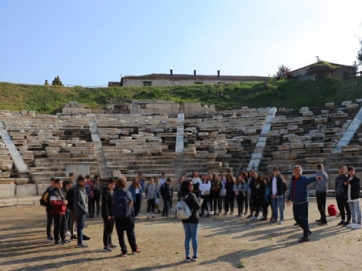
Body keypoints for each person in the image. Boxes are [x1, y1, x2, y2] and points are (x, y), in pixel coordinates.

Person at [287, 165, 322, 242]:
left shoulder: (304, 179)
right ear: (293, 172)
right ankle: (307, 230)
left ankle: (305, 236)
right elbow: (291, 190)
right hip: (295, 202)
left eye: (299, 170)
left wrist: (316, 178)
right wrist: (288, 198)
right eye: (296, 170)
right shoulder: (292, 180)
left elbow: (311, 179)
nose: (298, 171)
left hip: (303, 202)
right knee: (296, 218)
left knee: (304, 219)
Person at [113, 176, 142, 257]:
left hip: (118, 216)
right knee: (130, 232)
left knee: (120, 234)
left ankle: (124, 251)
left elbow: (113, 203)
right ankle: (134, 248)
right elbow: (131, 203)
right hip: (127, 215)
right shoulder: (127, 192)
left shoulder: (115, 193)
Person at [180, 180, 201, 262]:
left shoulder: (181, 195)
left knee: (187, 237)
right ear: (188, 186)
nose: (192, 186)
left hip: (184, 217)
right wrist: (200, 201)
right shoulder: (192, 195)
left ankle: (187, 256)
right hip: (193, 218)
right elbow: (198, 206)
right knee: (194, 237)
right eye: (191, 185)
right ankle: (195, 255)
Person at [49, 179, 69, 245]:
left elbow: (63, 199)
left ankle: (63, 238)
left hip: (63, 211)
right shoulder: (53, 192)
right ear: (56, 184)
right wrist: (62, 203)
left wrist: (65, 202)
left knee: (63, 226)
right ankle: (57, 240)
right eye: (59, 183)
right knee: (57, 226)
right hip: (57, 211)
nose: (61, 184)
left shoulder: (61, 191)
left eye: (61, 183)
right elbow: (52, 202)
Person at [102, 178, 117, 252]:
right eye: (113, 184)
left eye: (115, 184)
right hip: (108, 214)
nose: (114, 185)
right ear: (109, 184)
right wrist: (107, 214)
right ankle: (105, 245)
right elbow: (105, 205)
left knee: (111, 229)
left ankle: (110, 242)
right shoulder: (106, 192)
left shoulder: (112, 192)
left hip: (113, 213)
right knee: (107, 230)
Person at [74, 175, 89, 248]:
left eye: (85, 181)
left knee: (81, 226)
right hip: (80, 211)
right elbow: (77, 202)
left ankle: (81, 240)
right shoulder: (77, 190)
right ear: (80, 181)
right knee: (79, 227)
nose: (85, 183)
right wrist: (83, 209)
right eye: (84, 181)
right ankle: (79, 242)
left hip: (82, 210)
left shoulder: (81, 189)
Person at [41, 177, 55, 242]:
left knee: (54, 222)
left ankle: (53, 235)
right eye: (54, 182)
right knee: (50, 222)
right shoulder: (49, 190)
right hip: (49, 208)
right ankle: (49, 236)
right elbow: (44, 199)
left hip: (54, 208)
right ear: (51, 182)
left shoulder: (55, 189)